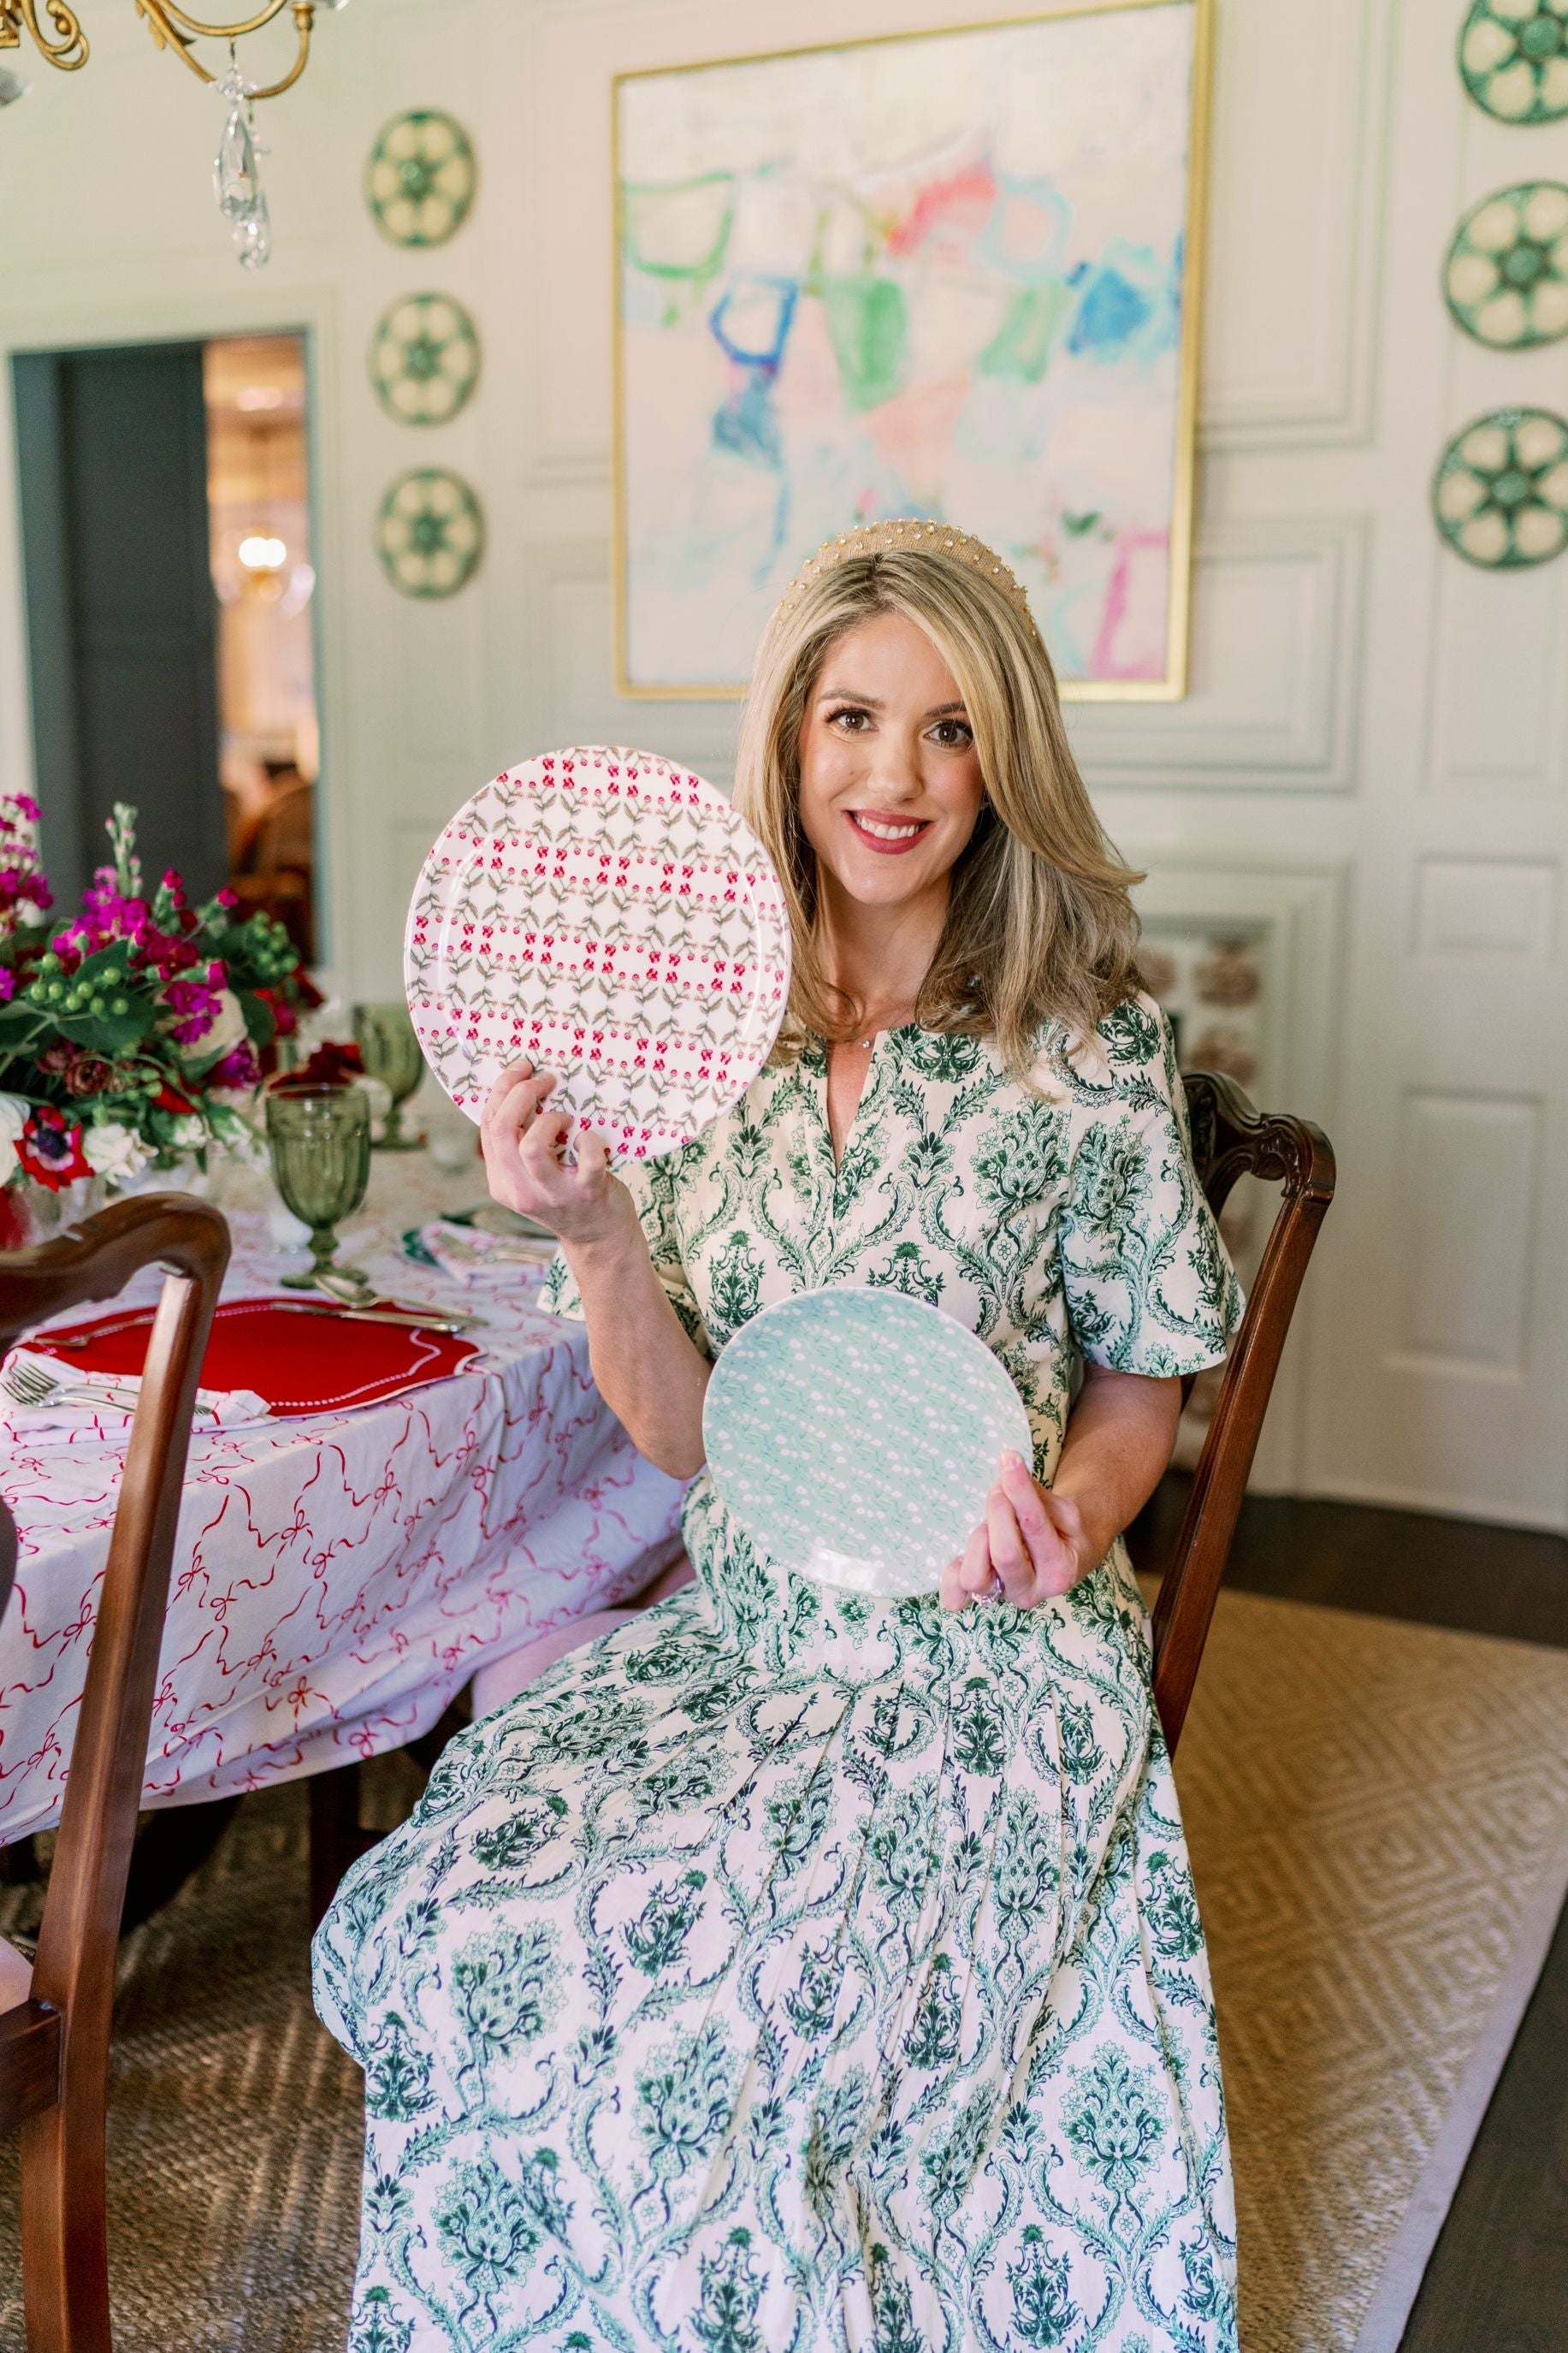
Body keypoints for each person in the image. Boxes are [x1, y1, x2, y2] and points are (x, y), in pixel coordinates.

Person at [314, 518, 1244, 2352]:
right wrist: (588, 1233)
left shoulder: (1084, 1047)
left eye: (949, 728)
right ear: (787, 736)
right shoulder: (684, 1032)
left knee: (719, 1983)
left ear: (1008, 755)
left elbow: (1144, 1387)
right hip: (744, 1637)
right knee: (485, 1923)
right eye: (848, 717)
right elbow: (688, 1441)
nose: (890, 775)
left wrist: (1071, 1508)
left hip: (986, 1654)